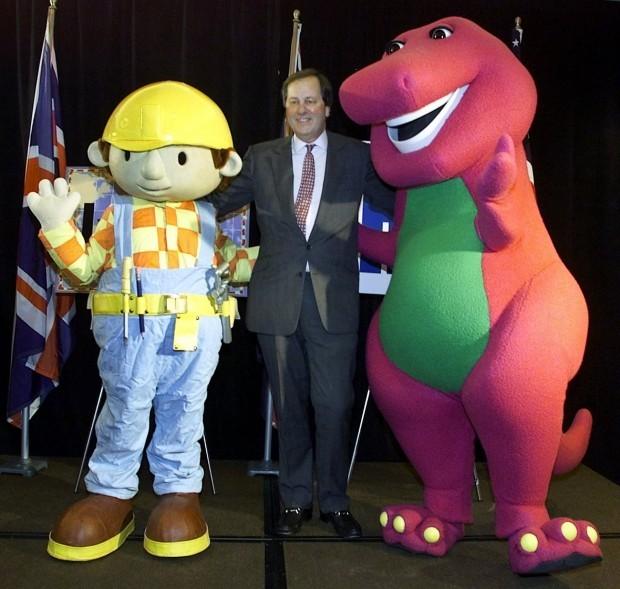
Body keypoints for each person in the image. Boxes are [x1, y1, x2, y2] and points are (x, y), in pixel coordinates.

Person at [210, 68, 394, 538]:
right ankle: (294, 499)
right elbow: (219, 200)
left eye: (311, 101)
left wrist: (449, 187)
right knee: (290, 406)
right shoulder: (261, 156)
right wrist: (168, 182)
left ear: (327, 108)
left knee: (334, 404)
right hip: (276, 300)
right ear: (286, 109)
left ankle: (334, 501)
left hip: (333, 302)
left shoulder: (357, 157)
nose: (302, 110)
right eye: (294, 102)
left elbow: (397, 201)